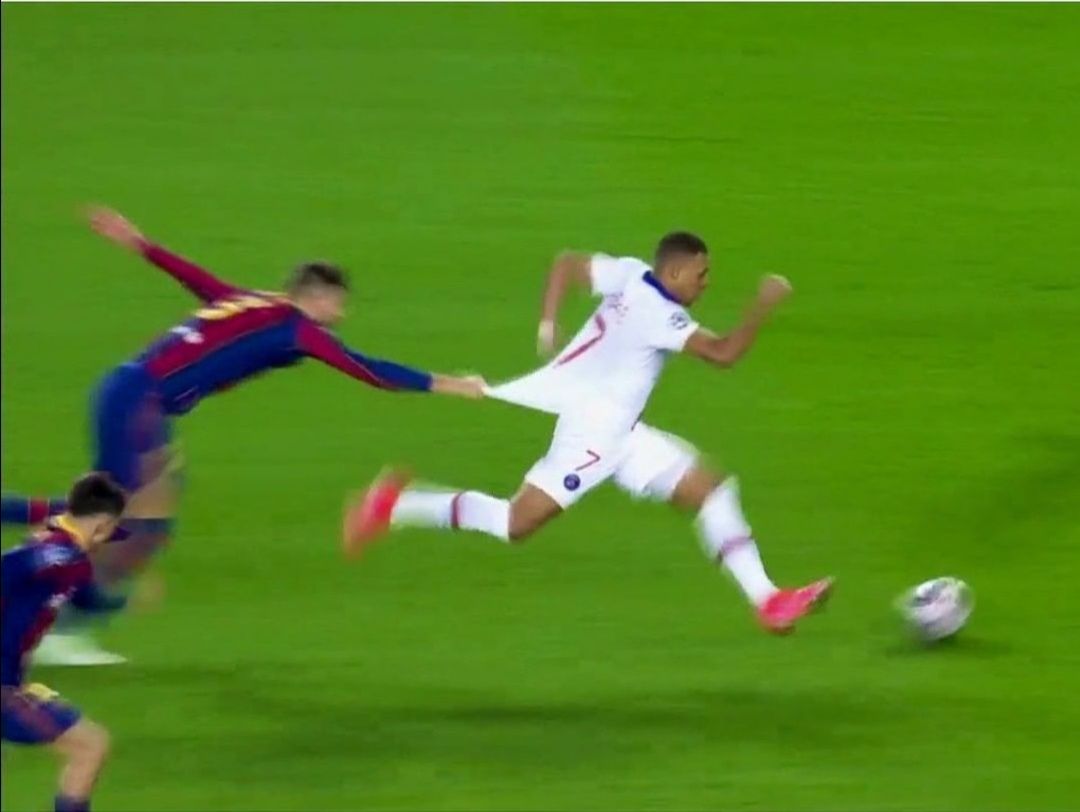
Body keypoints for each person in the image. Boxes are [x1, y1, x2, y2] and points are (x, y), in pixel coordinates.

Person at [4, 207, 485, 664]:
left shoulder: (251, 301)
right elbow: (368, 369)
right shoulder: (298, 330)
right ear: (318, 297)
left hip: (133, 395)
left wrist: (140, 243)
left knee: (144, 519)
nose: (341, 315)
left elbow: (196, 278)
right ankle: (56, 620)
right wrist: (449, 384)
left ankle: (63, 617)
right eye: (338, 304)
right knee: (116, 520)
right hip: (138, 404)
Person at [346, 232, 830, 632]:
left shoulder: (631, 273)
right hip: (593, 439)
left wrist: (548, 323)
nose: (706, 283)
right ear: (675, 273)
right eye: (701, 275)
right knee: (515, 524)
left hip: (625, 435)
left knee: (711, 491)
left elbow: (567, 264)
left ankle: (768, 599)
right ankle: (392, 506)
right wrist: (762, 305)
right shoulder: (662, 316)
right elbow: (723, 354)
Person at [2, 473, 128, 812]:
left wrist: (121, 601)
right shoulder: (57, 557)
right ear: (102, 526)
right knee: (90, 746)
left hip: (12, 683)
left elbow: (87, 599)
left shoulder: (69, 556)